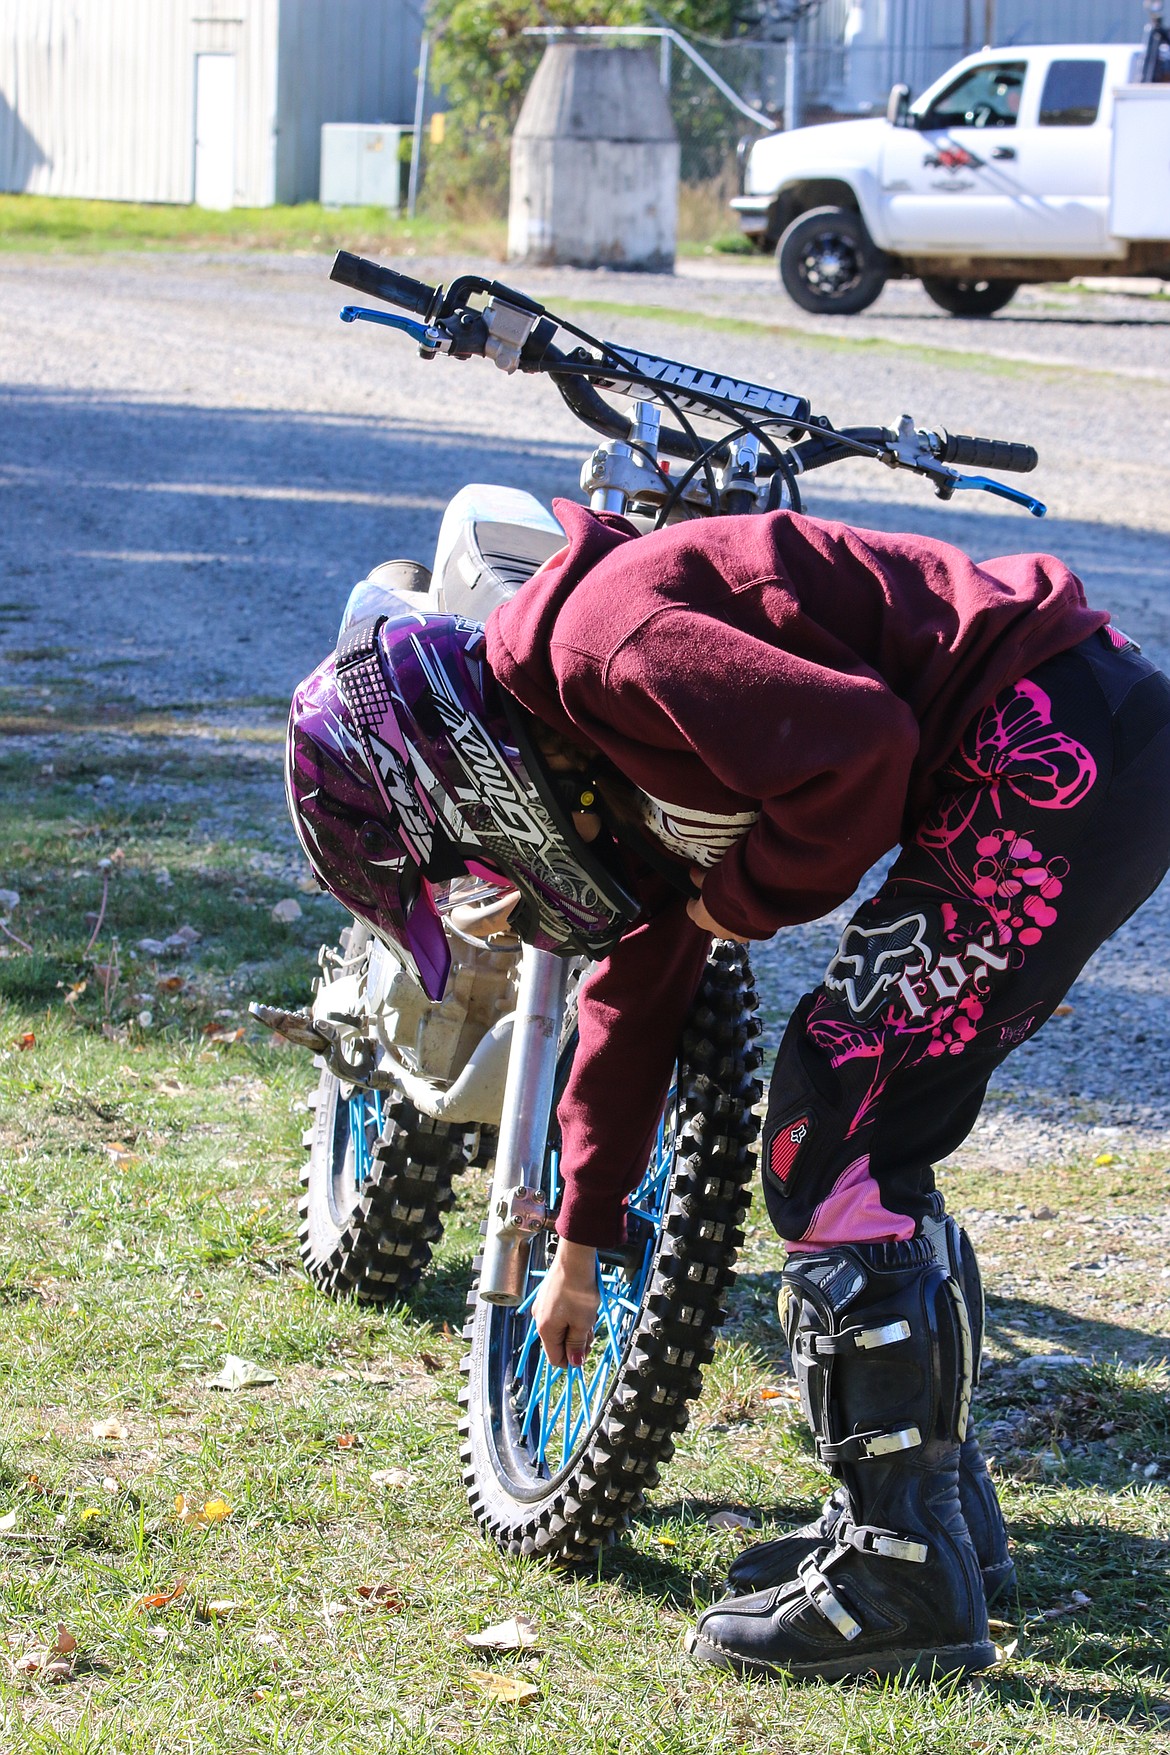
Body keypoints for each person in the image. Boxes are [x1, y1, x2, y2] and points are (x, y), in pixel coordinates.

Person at [286, 499, 1170, 1684]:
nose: (483, 883)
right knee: (872, 1139)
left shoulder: (597, 646)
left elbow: (859, 751)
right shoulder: (591, 758)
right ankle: (937, 1533)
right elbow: (633, 994)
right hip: (1066, 746)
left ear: (443, 776)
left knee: (832, 1130)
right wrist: (582, 1243)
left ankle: (900, 1577)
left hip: (1052, 744)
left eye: (454, 855)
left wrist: (734, 902)